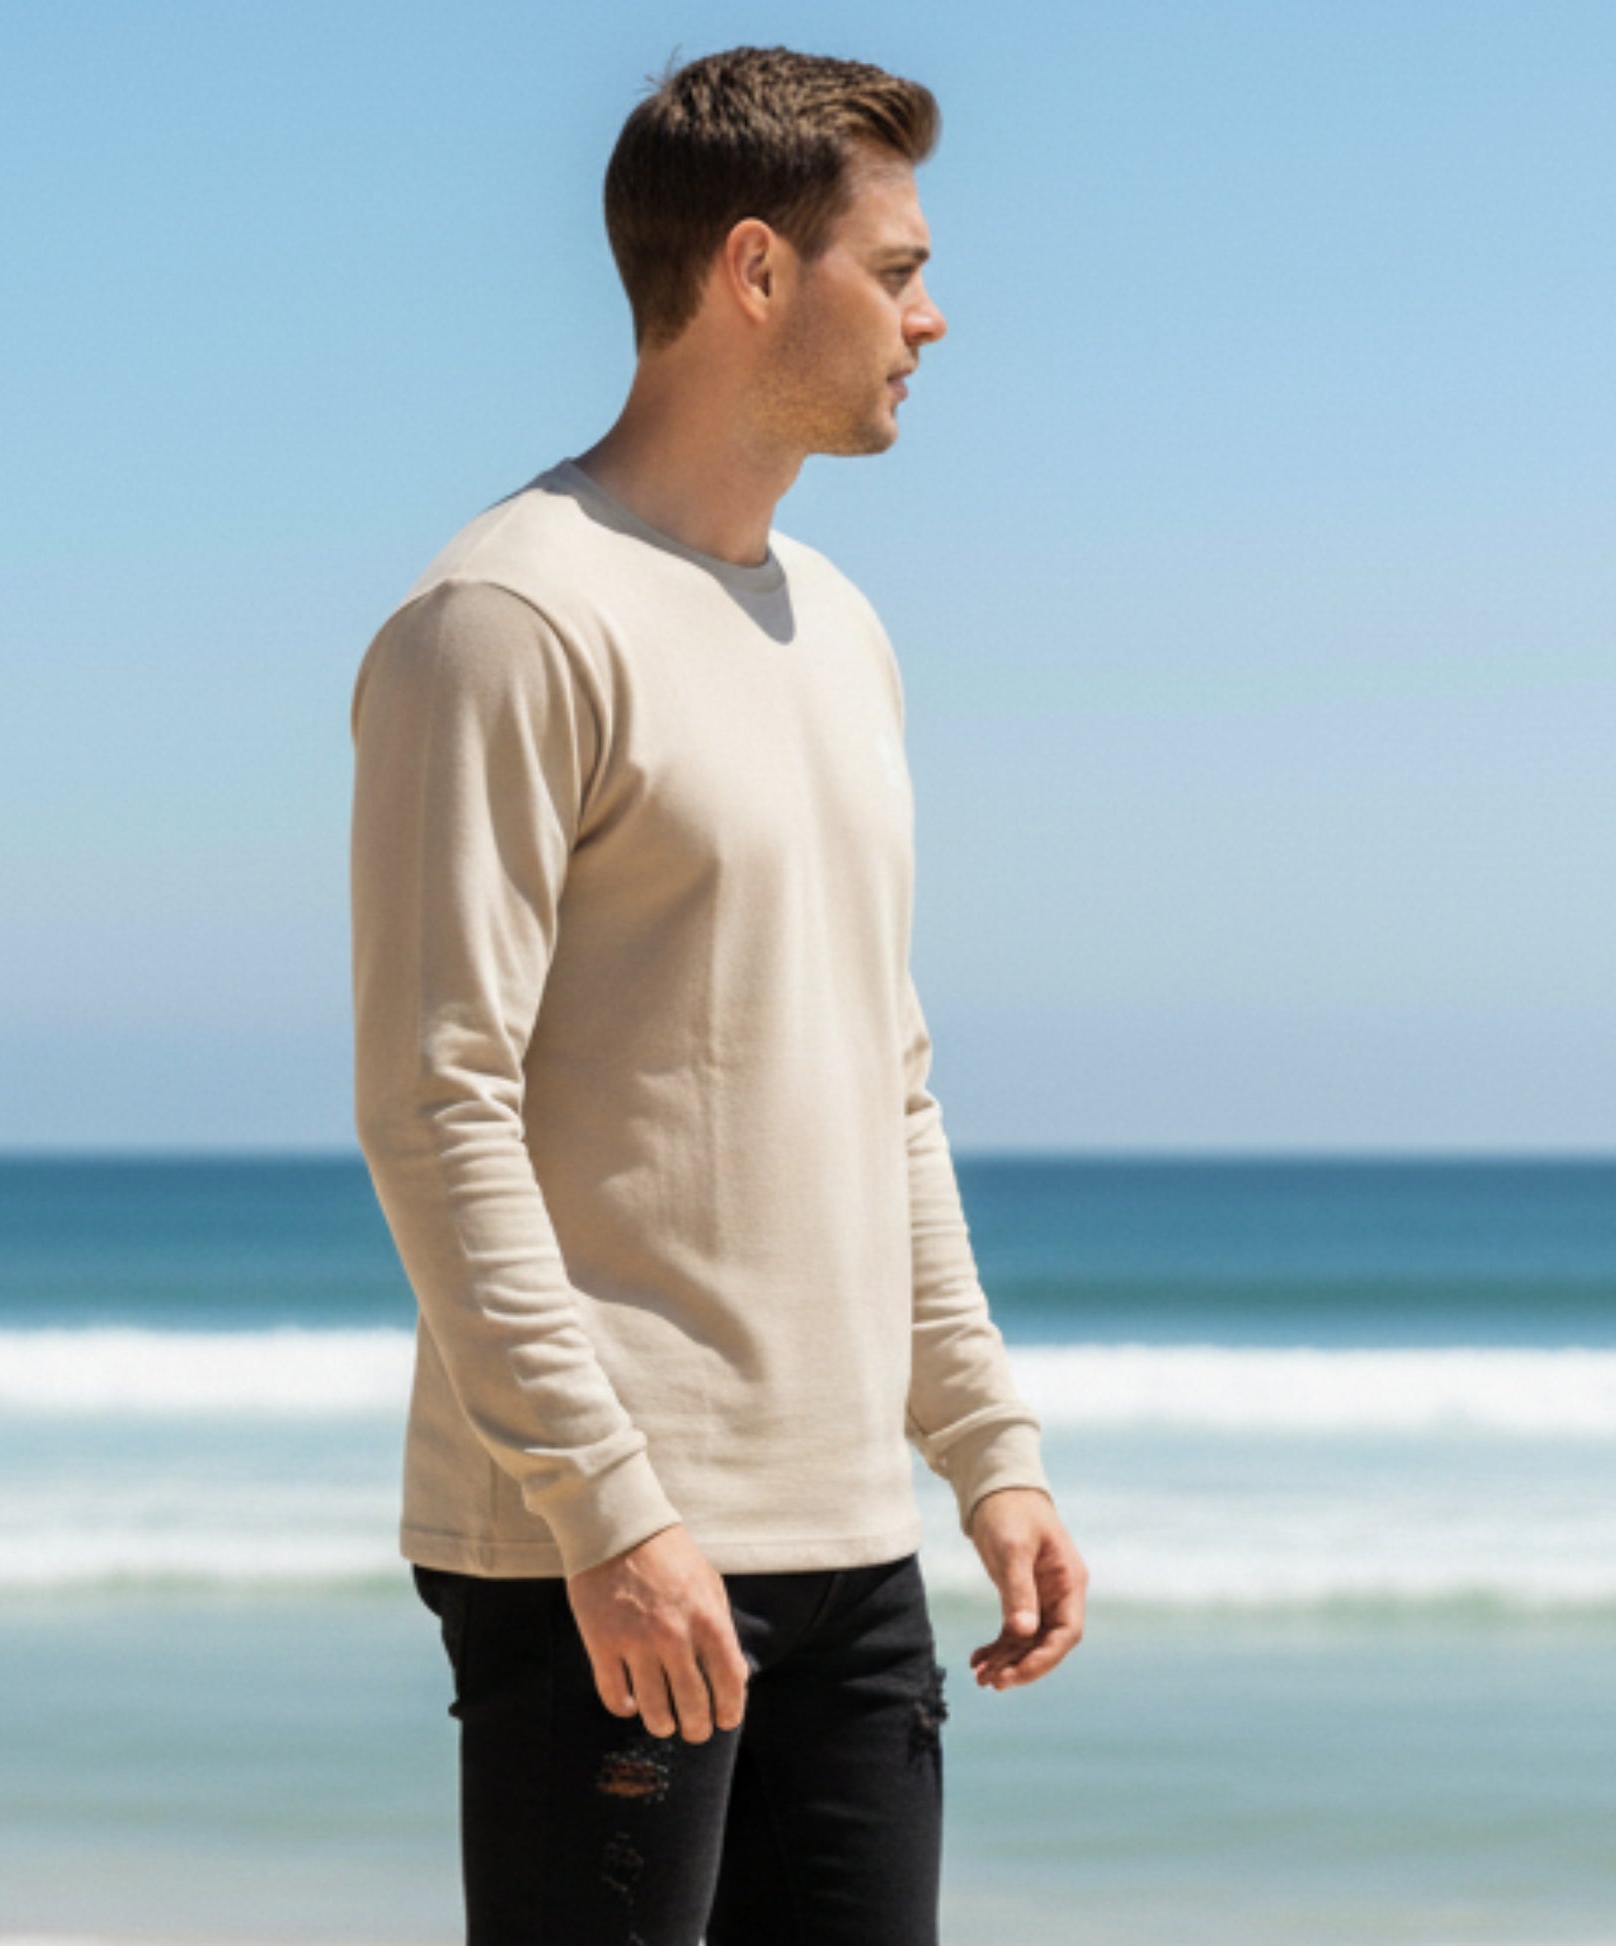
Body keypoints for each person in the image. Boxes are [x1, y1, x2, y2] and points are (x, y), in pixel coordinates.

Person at [349, 42, 1088, 1946]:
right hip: (606, 1538)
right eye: (896, 267)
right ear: (756, 271)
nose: (936, 313)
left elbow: (881, 1082)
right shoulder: (507, 621)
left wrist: (982, 1452)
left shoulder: (836, 627)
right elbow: (438, 1100)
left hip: (849, 1538)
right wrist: (607, 1508)